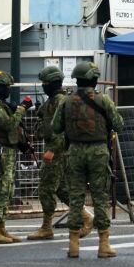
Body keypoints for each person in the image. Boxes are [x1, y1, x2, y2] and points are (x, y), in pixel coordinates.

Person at [51, 62, 124, 259]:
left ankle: (74, 245)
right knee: (100, 196)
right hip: (98, 151)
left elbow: (55, 127)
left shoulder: (66, 102)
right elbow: (119, 124)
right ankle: (103, 244)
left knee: (76, 197)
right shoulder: (104, 100)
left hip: (74, 151)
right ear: (94, 79)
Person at [26, 65, 92, 240]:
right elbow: (44, 129)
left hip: (57, 150)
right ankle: (86, 217)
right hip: (58, 149)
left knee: (46, 188)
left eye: (45, 83)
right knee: (62, 189)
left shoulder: (61, 101)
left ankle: (46, 227)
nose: (43, 86)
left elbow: (64, 130)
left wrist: (53, 151)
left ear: (52, 83)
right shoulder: (53, 101)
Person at [0, 70, 29, 245]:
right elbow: (8, 125)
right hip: (1, 151)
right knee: (1, 189)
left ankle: (1, 227)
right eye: (6, 87)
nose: (8, 90)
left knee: (7, 189)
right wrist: (21, 110)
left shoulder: (0, 104)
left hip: (8, 150)